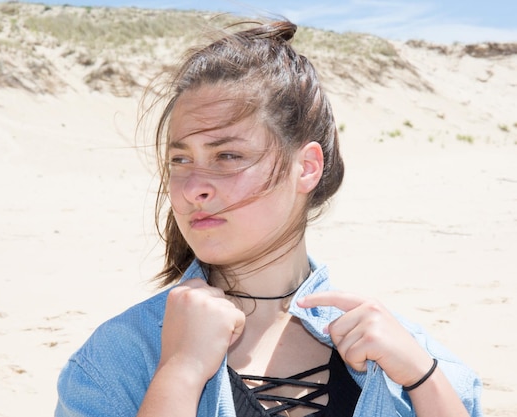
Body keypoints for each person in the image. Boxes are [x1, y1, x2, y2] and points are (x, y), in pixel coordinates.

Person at [55, 20, 482, 417]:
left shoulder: (407, 354)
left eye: (227, 156)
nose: (191, 189)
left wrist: (423, 380)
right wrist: (181, 372)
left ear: (307, 168)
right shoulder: (118, 357)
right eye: (180, 159)